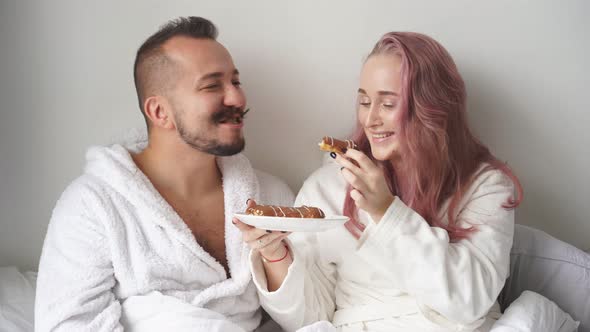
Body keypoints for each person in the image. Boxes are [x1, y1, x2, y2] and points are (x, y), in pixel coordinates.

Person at [234, 32, 523, 332]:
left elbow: (469, 300)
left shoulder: (486, 187)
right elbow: (310, 318)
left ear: (433, 108)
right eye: (364, 101)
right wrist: (275, 255)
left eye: (387, 104)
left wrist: (387, 212)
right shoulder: (327, 187)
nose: (369, 119)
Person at [35, 16, 293, 331]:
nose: (237, 98)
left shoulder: (271, 197)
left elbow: (305, 311)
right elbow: (68, 325)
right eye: (212, 85)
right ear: (159, 112)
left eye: (235, 82)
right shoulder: (93, 205)